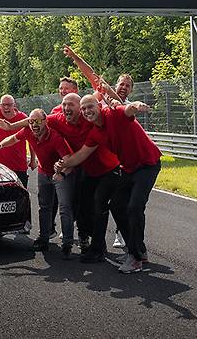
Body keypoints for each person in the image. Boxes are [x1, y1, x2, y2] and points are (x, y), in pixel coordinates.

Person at [57, 95, 161, 274]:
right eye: (84, 109)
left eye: (90, 106)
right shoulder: (96, 133)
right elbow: (81, 155)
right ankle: (137, 250)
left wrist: (136, 105)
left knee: (134, 208)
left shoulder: (114, 113)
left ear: (98, 106)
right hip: (127, 169)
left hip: (147, 164)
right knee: (116, 205)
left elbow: (128, 110)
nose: (87, 111)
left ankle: (135, 258)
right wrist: (62, 164)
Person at [63, 44, 131, 249]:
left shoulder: (117, 109)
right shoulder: (91, 113)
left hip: (117, 165)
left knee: (119, 205)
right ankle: (89, 239)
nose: (86, 111)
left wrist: (133, 107)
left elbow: (96, 80)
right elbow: (92, 76)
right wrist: (75, 57)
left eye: (126, 86)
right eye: (120, 84)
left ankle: (129, 241)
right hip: (91, 166)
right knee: (88, 203)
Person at [0, 109, 75, 259]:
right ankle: (43, 239)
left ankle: (67, 243)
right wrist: (1, 145)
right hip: (44, 172)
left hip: (61, 173)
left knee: (65, 207)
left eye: (37, 121)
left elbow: (69, 160)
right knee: (44, 207)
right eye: (31, 121)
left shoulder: (55, 137)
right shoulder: (27, 131)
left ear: (45, 121)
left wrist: (62, 173)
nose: (34, 125)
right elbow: (13, 138)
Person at [0, 78, 36, 187]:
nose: (6, 107)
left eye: (9, 105)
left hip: (18, 165)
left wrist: (33, 159)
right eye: (3, 105)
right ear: (0, 106)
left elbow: (32, 140)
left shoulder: (23, 118)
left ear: (14, 105)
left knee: (20, 196)